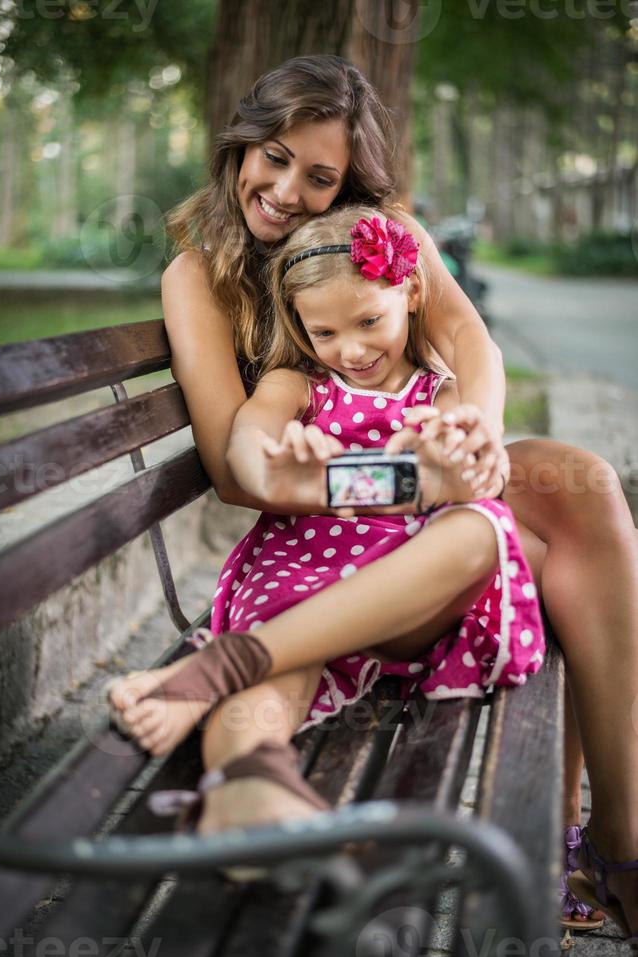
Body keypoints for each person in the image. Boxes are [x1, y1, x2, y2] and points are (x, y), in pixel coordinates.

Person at [109, 55, 637, 939]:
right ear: (242, 142)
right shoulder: (198, 279)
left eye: (319, 177)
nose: (282, 190)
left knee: (579, 485)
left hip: (423, 505)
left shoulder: (382, 237)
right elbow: (244, 476)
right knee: (528, 556)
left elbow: (469, 338)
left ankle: (616, 842)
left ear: (348, 182)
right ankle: (262, 790)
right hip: (315, 527)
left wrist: (469, 427)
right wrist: (409, 482)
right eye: (271, 156)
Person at [109, 201, 545, 812]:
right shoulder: (295, 385)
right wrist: (280, 466)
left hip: (402, 592)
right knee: (271, 686)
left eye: (369, 321)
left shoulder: (439, 394)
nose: (352, 350)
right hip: (301, 567)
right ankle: (247, 794)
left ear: (412, 292)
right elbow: (247, 456)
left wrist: (344, 480)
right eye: (325, 333)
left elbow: (465, 487)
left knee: (485, 529)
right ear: (299, 324)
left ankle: (226, 662)